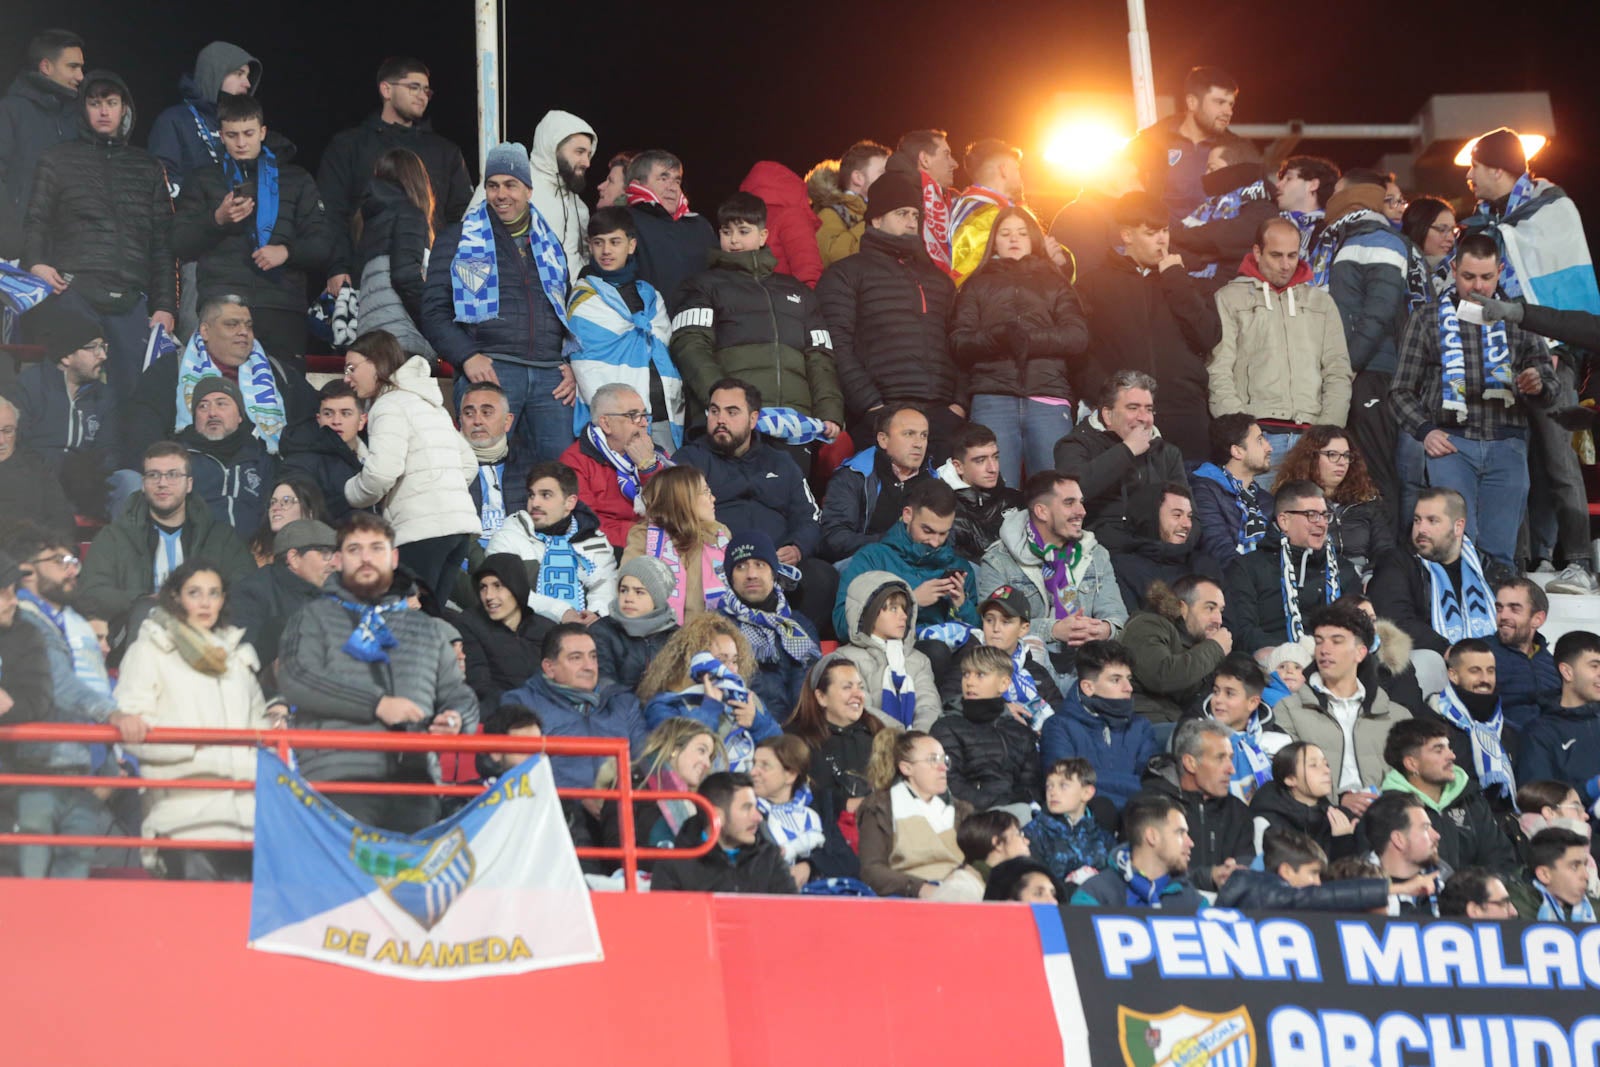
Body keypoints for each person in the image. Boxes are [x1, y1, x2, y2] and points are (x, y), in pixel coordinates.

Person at [1460, 127, 1599, 594]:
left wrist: (1562, 350)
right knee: (1514, 459)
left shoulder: (1550, 207)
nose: (1470, 176)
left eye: (1475, 166)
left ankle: (1578, 562)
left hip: (1552, 349)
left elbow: (1569, 287)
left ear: (1498, 168)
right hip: (1497, 352)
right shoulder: (1483, 221)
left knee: (1558, 460)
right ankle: (1524, 561)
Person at [275, 513, 473, 831]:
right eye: (355, 549)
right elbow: (297, 678)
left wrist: (456, 717)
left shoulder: (426, 628)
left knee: (408, 879)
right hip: (339, 780)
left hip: (416, 785)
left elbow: (459, 694)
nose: (366, 558)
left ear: (393, 557)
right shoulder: (312, 618)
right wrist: (377, 704)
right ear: (338, 560)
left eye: (376, 548)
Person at [1390, 233, 1557, 570]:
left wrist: (1537, 383)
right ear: (1453, 269)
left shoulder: (1520, 319)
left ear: (1500, 271)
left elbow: (1550, 386)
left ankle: (1498, 620)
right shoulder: (1426, 318)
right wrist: (1425, 432)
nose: (1477, 286)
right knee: (1453, 548)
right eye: (1468, 277)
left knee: (1499, 555)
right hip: (1452, 445)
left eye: (1486, 277)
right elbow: (1400, 391)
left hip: (1507, 444)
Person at [421, 142, 577, 467]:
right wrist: (466, 356)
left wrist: (570, 363)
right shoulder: (458, 239)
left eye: (511, 185)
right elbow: (434, 311)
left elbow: (565, 310)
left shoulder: (550, 244)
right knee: (481, 470)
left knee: (559, 475)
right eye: (492, 185)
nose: (501, 194)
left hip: (550, 377)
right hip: (491, 369)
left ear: (528, 190)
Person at [23, 69, 175, 390]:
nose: (104, 111)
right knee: (70, 390)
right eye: (94, 103)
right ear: (83, 109)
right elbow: (37, 219)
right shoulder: (57, 159)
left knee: (134, 394)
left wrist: (164, 306)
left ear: (125, 109)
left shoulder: (148, 167)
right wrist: (36, 262)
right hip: (74, 292)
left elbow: (163, 243)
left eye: (112, 102)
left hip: (131, 299)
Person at [117, 561, 270, 880]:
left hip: (245, 821)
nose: (205, 602)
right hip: (183, 820)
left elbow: (260, 729)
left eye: (214, 593)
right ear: (175, 597)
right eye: (195, 593)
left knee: (239, 926)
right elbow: (131, 726)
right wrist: (192, 744)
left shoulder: (237, 657)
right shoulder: (149, 651)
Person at [7, 528, 133, 879]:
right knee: (35, 882)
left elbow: (93, 689)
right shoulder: (20, 624)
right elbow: (60, 686)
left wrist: (112, 767)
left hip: (80, 767)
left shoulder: (73, 623)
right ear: (27, 571)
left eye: (72, 560)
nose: (71, 569)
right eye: (59, 561)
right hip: (38, 768)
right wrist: (114, 715)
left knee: (71, 881)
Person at [170, 94, 331, 363]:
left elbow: (323, 244)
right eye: (232, 135)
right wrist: (217, 220)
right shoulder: (203, 179)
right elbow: (178, 242)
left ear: (263, 131)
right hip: (222, 302)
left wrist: (286, 252)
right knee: (222, 394)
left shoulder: (296, 179)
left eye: (248, 133)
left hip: (281, 306)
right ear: (220, 135)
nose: (241, 143)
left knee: (284, 395)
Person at [815, 169, 962, 460]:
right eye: (901, 213)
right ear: (876, 218)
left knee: (944, 505)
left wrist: (958, 405)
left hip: (942, 419)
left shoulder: (939, 280)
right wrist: (872, 407)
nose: (911, 222)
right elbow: (836, 346)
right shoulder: (845, 274)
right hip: (881, 418)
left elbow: (960, 344)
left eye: (915, 215)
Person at [671, 196, 843, 441]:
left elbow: (820, 356)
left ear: (763, 236)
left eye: (743, 231)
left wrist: (830, 412)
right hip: (731, 427)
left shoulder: (797, 291)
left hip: (796, 426)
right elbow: (690, 348)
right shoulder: (702, 286)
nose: (734, 240)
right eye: (726, 232)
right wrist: (728, 405)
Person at [673, 379, 836, 626]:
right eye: (714, 411)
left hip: (778, 564)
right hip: (719, 563)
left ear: (753, 419)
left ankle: (793, 649)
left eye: (732, 412)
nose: (720, 420)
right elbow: (676, 515)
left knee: (822, 577)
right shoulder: (689, 460)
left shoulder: (781, 462)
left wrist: (798, 547)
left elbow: (810, 516)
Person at [1075, 192, 1221, 462]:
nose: (1162, 239)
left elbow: (1208, 335)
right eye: (1151, 232)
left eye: (1165, 230)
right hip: (1124, 419)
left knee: (1187, 500)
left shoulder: (1182, 281)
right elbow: (1081, 351)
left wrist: (1175, 278)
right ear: (1127, 235)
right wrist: (1107, 396)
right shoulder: (1094, 284)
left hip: (1185, 416)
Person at [1209, 216, 1353, 482]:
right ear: (1257, 252)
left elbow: (1338, 370)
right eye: (1276, 255)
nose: (1286, 264)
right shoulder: (1229, 298)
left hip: (1311, 439)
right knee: (1255, 522)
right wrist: (1242, 434)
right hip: (1256, 438)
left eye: (1292, 255)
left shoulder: (1321, 303)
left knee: (1308, 522)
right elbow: (1219, 369)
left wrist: (1326, 434)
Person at [951, 206, 1086, 486]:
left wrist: (1029, 340)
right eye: (1006, 233)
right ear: (994, 241)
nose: (1014, 239)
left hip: (1048, 397)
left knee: (1054, 492)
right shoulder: (976, 285)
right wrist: (999, 336)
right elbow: (959, 341)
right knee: (996, 493)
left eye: (1022, 233)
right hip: (992, 398)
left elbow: (1077, 336)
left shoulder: (1055, 283)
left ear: (1034, 239)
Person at [341, 329, 478, 605]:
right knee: (430, 621)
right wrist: (439, 490)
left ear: (377, 363)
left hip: (421, 531)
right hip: (458, 531)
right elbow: (469, 464)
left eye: (352, 368)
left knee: (406, 619)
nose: (347, 378)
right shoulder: (429, 404)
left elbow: (381, 473)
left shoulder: (388, 405)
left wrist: (350, 491)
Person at [317, 57, 471, 297]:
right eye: (414, 87)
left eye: (427, 91)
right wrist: (337, 267)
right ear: (386, 89)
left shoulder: (445, 151)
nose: (422, 95)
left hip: (430, 279)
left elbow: (460, 215)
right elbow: (332, 212)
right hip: (365, 275)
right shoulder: (349, 146)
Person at [77, 442, 253, 635]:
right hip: (137, 638)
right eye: (153, 475)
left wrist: (197, 604)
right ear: (143, 484)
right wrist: (146, 600)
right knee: (145, 611)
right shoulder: (114, 537)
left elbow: (246, 591)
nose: (162, 483)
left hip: (206, 637)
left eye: (173, 475)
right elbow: (92, 594)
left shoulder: (221, 537)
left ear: (189, 484)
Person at [124, 294, 317, 468]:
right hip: (189, 477)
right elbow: (144, 431)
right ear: (205, 331)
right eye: (232, 324)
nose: (243, 332)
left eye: (248, 325)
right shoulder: (170, 369)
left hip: (264, 479)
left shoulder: (278, 373)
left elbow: (306, 432)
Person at [978, 472, 1127, 689]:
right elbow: (991, 629)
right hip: (1027, 671)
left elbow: (1118, 617)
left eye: (1081, 503)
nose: (1082, 511)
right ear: (1041, 511)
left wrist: (1103, 629)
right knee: (1034, 648)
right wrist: (1054, 630)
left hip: (1086, 663)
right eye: (1069, 503)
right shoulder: (999, 559)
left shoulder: (1095, 554)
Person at [13, 242, 130, 519]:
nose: (102, 356)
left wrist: (88, 469)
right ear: (66, 357)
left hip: (87, 483)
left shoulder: (103, 394)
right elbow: (19, 447)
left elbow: (110, 450)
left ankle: (123, 552)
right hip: (39, 480)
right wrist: (62, 466)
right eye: (93, 348)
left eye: (104, 347)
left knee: (130, 482)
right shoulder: (31, 386)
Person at [1272, 603, 1412, 813]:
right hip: (1319, 821)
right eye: (1319, 641)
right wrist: (1339, 801)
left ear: (1360, 652)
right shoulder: (1288, 710)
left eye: (1336, 641)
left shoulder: (1397, 716)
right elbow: (1289, 779)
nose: (1324, 650)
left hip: (1387, 819)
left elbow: (1409, 779)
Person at [566, 207, 678, 452]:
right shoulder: (584, 297)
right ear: (590, 247)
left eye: (615, 242)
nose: (606, 251)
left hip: (661, 415)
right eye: (598, 243)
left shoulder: (650, 295)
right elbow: (587, 365)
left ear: (631, 245)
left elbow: (664, 344)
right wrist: (621, 419)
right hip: (613, 426)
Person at [498, 622, 645, 796]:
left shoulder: (623, 702)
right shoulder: (522, 703)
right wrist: (580, 797)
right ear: (549, 668)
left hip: (620, 804)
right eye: (576, 658)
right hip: (557, 806)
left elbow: (646, 760)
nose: (589, 666)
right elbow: (523, 769)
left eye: (593, 656)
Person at [1222, 480, 1359, 657]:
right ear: (1284, 521)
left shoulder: (1343, 569)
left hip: (1336, 662)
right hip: (1275, 666)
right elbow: (1244, 632)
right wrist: (1296, 654)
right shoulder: (1247, 568)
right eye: (1312, 515)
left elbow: (1360, 628)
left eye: (1325, 515)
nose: (1322, 523)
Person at [835, 477, 978, 638]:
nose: (935, 542)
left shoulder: (961, 568)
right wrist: (910, 602)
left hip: (946, 654)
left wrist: (961, 605)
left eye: (943, 533)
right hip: (888, 654)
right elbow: (843, 625)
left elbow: (977, 636)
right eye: (927, 531)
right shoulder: (872, 559)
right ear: (908, 515)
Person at [638, 613, 780, 772]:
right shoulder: (664, 704)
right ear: (693, 661)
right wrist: (709, 708)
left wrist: (757, 723)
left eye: (734, 661)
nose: (732, 669)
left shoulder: (746, 699)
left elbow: (782, 754)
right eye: (721, 660)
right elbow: (681, 753)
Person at [1379, 717, 1518, 874]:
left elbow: (1501, 858)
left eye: (1448, 748)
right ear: (1412, 764)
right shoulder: (1387, 812)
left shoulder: (1471, 798)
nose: (1451, 756)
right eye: (1438, 750)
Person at [1055, 371, 1185, 536]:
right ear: (1108, 415)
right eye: (1133, 408)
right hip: (1103, 549)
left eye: (1149, 409)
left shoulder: (1168, 453)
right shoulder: (1075, 445)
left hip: (1161, 548)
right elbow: (1072, 494)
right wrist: (1127, 450)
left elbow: (1190, 514)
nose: (1144, 418)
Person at [486, 460, 617, 623]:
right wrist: (561, 612)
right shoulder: (508, 536)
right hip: (524, 631)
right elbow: (504, 592)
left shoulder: (593, 539)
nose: (535, 503)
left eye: (545, 495)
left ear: (570, 502)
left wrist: (595, 613)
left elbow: (605, 586)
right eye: (531, 495)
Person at [1369, 488, 1495, 656]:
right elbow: (1394, 620)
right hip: (1431, 661)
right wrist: (1449, 651)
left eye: (1432, 521)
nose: (1421, 529)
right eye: (1417, 520)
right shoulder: (1396, 562)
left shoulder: (1484, 566)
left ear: (1458, 527)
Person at [1038, 640, 1157, 810]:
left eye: (1128, 679)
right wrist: (1130, 789)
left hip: (1135, 822)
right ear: (1088, 687)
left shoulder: (1141, 727)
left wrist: (1093, 783)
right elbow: (1065, 786)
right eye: (1116, 680)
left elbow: (1152, 786)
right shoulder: (1058, 727)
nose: (1129, 687)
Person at [1137, 719, 1255, 890]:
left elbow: (1248, 866)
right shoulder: (1149, 807)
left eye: (1230, 758)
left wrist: (1236, 873)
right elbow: (1144, 875)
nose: (1231, 769)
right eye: (1220, 758)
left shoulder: (1238, 811)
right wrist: (1208, 877)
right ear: (1190, 763)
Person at [718, 530, 821, 719]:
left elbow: (809, 688)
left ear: (773, 573)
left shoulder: (799, 626)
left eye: (760, 565)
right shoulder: (716, 627)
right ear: (730, 578)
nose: (751, 574)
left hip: (796, 735)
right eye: (741, 566)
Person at [857, 729, 970, 897]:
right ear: (906, 768)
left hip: (961, 893)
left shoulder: (962, 811)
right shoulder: (880, 807)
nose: (943, 767)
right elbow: (871, 871)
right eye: (933, 760)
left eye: (944, 759)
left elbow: (980, 861)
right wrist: (920, 889)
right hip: (906, 898)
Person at [0, 30, 85, 251]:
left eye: (81, 68)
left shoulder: (77, 119)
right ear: (46, 67)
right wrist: (9, 239)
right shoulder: (10, 111)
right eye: (73, 67)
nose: (81, 76)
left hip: (62, 253)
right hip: (13, 254)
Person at [227, 517, 335, 692]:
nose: (333, 563)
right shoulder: (252, 593)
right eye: (324, 554)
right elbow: (245, 664)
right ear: (294, 558)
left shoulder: (332, 595)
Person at [930, 644, 1038, 816]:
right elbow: (951, 783)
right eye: (966, 674)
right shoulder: (946, 727)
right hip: (971, 819)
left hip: (1019, 816)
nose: (970, 682)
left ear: (1004, 683)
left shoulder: (1020, 732)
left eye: (980, 675)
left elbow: (1033, 786)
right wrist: (1000, 808)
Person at [560, 382, 670, 551]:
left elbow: (677, 508)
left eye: (644, 415)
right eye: (633, 415)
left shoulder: (657, 455)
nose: (643, 423)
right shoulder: (575, 461)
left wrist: (649, 469)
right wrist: (643, 536)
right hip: (607, 551)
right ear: (606, 424)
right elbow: (585, 523)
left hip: (658, 546)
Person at [1274, 427, 1393, 581]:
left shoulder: (1367, 499)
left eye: (1346, 456)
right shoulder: (1293, 499)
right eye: (1332, 455)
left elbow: (1385, 549)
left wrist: (1371, 574)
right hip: (1313, 576)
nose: (1342, 462)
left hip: (1363, 578)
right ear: (1311, 458)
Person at [818, 404, 932, 563]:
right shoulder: (854, 475)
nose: (919, 444)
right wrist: (892, 544)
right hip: (866, 562)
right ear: (883, 440)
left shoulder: (935, 483)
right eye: (909, 434)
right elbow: (835, 538)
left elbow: (949, 536)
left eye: (923, 435)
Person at [650, 771, 797, 895]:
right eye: (746, 808)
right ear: (716, 816)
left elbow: (792, 918)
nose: (758, 817)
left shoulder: (770, 859)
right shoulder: (672, 867)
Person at [353, 147, 437, 361]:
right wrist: (435, 323)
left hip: (371, 340)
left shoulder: (366, 223)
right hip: (402, 340)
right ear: (417, 180)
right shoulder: (409, 214)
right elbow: (405, 276)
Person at [1127, 66, 1240, 223]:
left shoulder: (1236, 150)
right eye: (1219, 102)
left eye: (1230, 104)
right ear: (1192, 102)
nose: (1228, 111)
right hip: (1162, 243)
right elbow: (1115, 189)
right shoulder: (1151, 141)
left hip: (1212, 245)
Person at [147, 41, 259, 197]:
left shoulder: (248, 127)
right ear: (215, 73)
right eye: (239, 73)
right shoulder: (174, 120)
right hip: (192, 219)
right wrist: (206, 212)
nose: (247, 83)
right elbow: (162, 187)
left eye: (248, 76)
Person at [622, 465, 730, 622]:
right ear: (684, 498)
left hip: (713, 633)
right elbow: (630, 588)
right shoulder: (644, 537)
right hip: (658, 635)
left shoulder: (719, 534)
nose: (713, 498)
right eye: (706, 492)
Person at [835, 572, 940, 731]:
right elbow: (862, 710)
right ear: (869, 614)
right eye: (893, 609)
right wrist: (900, 737)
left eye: (904, 609)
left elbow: (929, 707)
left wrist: (917, 739)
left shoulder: (920, 660)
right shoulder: (844, 659)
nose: (904, 616)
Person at [602, 717, 722, 855]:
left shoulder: (699, 804)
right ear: (674, 749)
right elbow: (616, 847)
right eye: (701, 751)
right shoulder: (631, 784)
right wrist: (671, 865)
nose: (707, 763)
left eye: (710, 757)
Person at [176, 377, 277, 539]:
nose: (212, 413)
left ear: (240, 416)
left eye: (221, 403)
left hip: (251, 554)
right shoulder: (178, 458)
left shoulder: (260, 457)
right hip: (194, 553)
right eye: (203, 406)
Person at [1121, 576, 1231, 723]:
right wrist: (1215, 648)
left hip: (1177, 723)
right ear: (1182, 607)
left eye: (1220, 611)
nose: (1218, 620)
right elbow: (1161, 676)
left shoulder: (1197, 643)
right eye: (1210, 608)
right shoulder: (1147, 625)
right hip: (1144, 723)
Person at [451, 552, 556, 707]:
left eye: (497, 586)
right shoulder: (469, 624)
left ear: (516, 586)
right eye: (483, 588)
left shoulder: (546, 628)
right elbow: (480, 685)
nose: (488, 596)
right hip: (500, 714)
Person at [1102, 482, 1222, 615]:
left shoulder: (1205, 565)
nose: (1187, 524)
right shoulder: (1123, 568)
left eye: (1189, 516)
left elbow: (1228, 623)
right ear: (1152, 517)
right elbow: (1134, 628)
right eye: (1177, 515)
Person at [1070, 793, 1203, 910]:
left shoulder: (1196, 903)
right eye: (1180, 833)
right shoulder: (1093, 895)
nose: (1190, 843)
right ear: (1152, 837)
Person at [623, 149, 718, 311]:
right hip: (649, 329)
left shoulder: (700, 225)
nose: (673, 187)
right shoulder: (623, 222)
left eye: (677, 180)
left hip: (698, 331)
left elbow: (720, 281)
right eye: (663, 178)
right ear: (638, 184)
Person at [1215, 827, 1388, 912]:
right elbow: (1298, 898)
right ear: (1287, 871)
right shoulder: (1254, 895)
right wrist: (1394, 889)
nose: (1318, 883)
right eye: (1313, 873)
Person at [1189, 413, 1274, 573]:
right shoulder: (1204, 490)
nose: (1269, 447)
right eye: (1260, 440)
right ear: (1237, 451)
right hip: (1229, 584)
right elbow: (1217, 549)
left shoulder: (1265, 500)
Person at [1518, 631, 1600, 794]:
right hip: (1574, 820)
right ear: (1567, 672)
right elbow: (1537, 799)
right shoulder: (1539, 733)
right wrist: (1592, 789)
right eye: (1595, 666)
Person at [1249, 741, 1359, 862]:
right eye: (1313, 765)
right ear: (1290, 779)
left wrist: (1343, 841)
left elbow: (1356, 874)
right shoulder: (1268, 821)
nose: (1327, 771)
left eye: (1326, 764)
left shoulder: (1341, 818)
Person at [457, 382, 527, 567]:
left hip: (518, 566)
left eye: (487, 412)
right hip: (463, 570)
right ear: (460, 421)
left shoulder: (529, 467)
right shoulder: (445, 466)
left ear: (508, 421)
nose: (477, 421)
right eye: (469, 413)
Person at [934, 424, 1024, 565]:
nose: (992, 468)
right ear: (958, 466)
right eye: (980, 460)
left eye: (995, 457)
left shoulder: (1016, 499)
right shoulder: (941, 509)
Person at [975, 585, 1063, 729]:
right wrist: (1000, 710)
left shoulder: (1036, 672)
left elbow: (1061, 718)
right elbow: (951, 704)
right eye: (989, 620)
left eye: (1006, 621)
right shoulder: (968, 663)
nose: (996, 629)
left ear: (1023, 629)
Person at [278, 379, 363, 521]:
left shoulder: (378, 457)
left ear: (362, 420)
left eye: (345, 413)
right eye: (328, 414)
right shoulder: (300, 461)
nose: (336, 421)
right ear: (319, 419)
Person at [527, 109, 596, 283]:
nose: (587, 163)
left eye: (588, 154)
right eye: (579, 152)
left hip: (572, 306)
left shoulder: (578, 206)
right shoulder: (514, 187)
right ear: (553, 147)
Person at [1024, 758, 1115, 886]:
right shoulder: (1032, 834)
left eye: (1063, 785)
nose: (1053, 792)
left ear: (1087, 793)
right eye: (1049, 786)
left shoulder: (1103, 839)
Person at [750, 734, 825, 887]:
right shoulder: (746, 811)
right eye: (754, 764)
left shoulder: (812, 814)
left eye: (765, 765)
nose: (753, 772)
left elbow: (839, 858)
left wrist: (808, 866)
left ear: (790, 775)